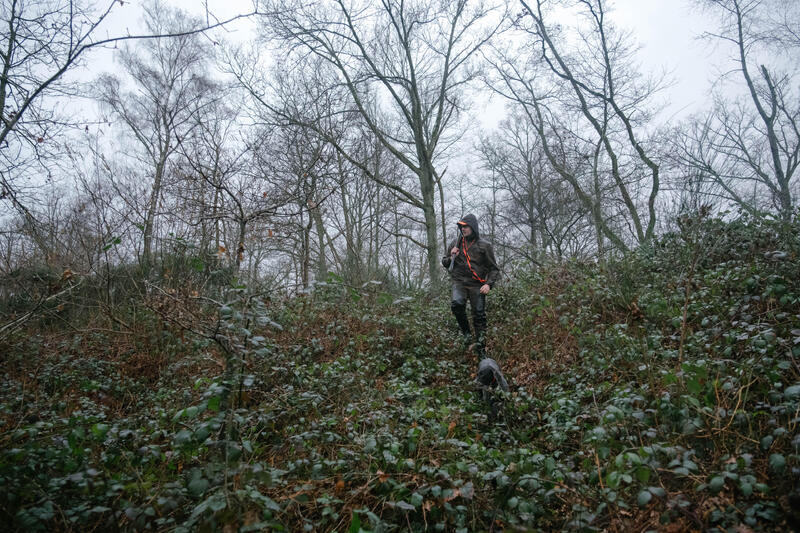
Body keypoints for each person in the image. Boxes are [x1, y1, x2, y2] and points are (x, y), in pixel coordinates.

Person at [442, 214, 501, 356]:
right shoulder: (455, 243)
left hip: (477, 284)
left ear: (473, 227)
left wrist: (488, 284)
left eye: (466, 226)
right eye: (461, 227)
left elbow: (494, 269)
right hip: (459, 282)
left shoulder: (485, 246)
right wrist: (451, 256)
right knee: (456, 304)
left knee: (479, 315)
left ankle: (481, 350)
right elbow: (444, 262)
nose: (463, 229)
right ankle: (467, 334)